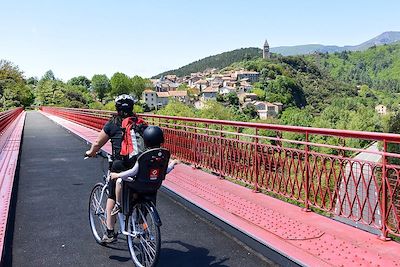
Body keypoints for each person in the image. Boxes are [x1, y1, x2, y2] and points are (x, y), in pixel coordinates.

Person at [85, 94, 145, 243]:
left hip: (120, 165)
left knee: (112, 195)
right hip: (139, 164)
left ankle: (110, 233)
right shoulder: (140, 123)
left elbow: (98, 143)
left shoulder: (112, 123)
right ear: (132, 107)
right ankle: (141, 221)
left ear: (117, 108)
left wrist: (91, 152)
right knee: (139, 191)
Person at [109, 126, 179, 215]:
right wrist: (173, 163)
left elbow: (133, 171)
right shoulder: (163, 155)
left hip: (139, 185)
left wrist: (117, 175)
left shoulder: (144, 156)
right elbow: (165, 171)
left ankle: (118, 205)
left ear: (145, 141)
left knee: (119, 181)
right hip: (155, 185)